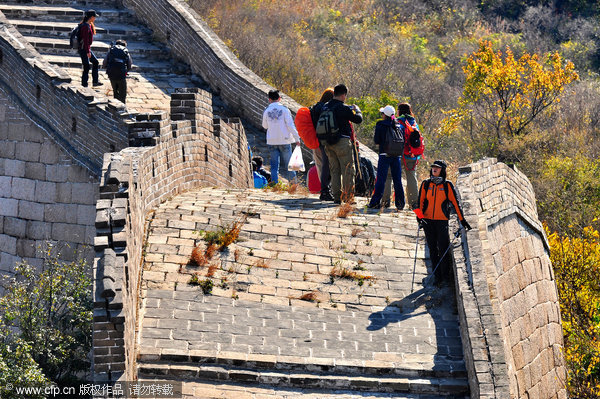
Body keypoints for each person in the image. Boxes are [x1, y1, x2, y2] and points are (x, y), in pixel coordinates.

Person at [416, 160, 471, 286]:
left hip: (442, 222)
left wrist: (462, 220)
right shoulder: (425, 184)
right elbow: (420, 202)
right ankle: (437, 276)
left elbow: (456, 203)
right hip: (427, 221)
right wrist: (419, 217)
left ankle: (445, 276)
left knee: (443, 247)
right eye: (433, 167)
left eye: (437, 168)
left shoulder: (447, 185)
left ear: (443, 170)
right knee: (432, 249)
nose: (434, 169)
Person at [321, 84, 362, 204]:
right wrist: (357, 110)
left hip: (328, 143)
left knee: (334, 171)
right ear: (343, 95)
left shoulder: (325, 107)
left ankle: (337, 197)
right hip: (342, 142)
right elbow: (358, 119)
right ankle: (348, 197)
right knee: (348, 170)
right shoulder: (343, 108)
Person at [382, 103, 422, 209]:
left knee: (389, 176)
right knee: (411, 177)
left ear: (399, 111)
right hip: (411, 155)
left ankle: (385, 201)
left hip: (397, 154)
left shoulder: (396, 121)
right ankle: (414, 203)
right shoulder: (414, 123)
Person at [367, 105, 405, 210]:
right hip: (396, 155)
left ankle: (375, 202)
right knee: (397, 180)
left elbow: (377, 140)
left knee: (381, 179)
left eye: (382, 113)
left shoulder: (380, 125)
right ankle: (400, 203)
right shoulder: (398, 125)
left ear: (385, 115)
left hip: (384, 154)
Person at [262, 90, 301, 184]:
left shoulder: (267, 110)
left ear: (269, 99)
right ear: (279, 98)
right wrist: (297, 138)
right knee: (289, 164)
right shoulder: (284, 110)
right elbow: (290, 125)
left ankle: (275, 185)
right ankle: (293, 185)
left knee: (274, 166)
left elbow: (264, 126)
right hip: (285, 140)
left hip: (272, 141)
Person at [310, 88, 334, 201]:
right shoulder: (326, 108)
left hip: (316, 140)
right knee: (327, 166)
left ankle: (324, 190)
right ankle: (326, 191)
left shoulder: (315, 107)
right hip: (325, 141)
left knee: (321, 165)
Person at [78, 10, 101, 88]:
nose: (95, 19)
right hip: (84, 48)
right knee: (86, 66)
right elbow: (85, 40)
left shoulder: (89, 25)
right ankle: (84, 84)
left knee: (95, 62)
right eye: (94, 17)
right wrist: (88, 51)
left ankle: (95, 81)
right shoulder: (85, 26)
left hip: (86, 48)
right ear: (91, 17)